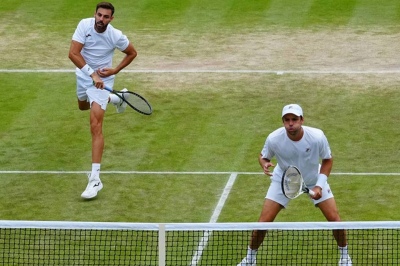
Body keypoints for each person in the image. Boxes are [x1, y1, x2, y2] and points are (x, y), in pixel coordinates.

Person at [237, 104, 352, 266]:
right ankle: (249, 259)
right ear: (283, 121)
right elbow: (263, 156)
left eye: (294, 119)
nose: (291, 123)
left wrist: (319, 185)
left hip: (312, 179)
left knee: (335, 221)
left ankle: (345, 257)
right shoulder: (274, 138)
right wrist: (264, 163)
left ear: (302, 120)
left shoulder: (317, 137)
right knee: (262, 223)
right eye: (287, 120)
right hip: (283, 179)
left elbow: (328, 159)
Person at [68, 2, 137, 199]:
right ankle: (117, 98)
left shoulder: (115, 35)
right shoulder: (84, 25)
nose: (101, 19)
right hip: (85, 75)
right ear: (95, 14)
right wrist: (92, 75)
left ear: (111, 19)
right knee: (82, 106)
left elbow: (132, 52)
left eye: (106, 17)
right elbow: (73, 53)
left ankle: (95, 179)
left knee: (95, 125)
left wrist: (114, 70)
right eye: (99, 15)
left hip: (103, 79)